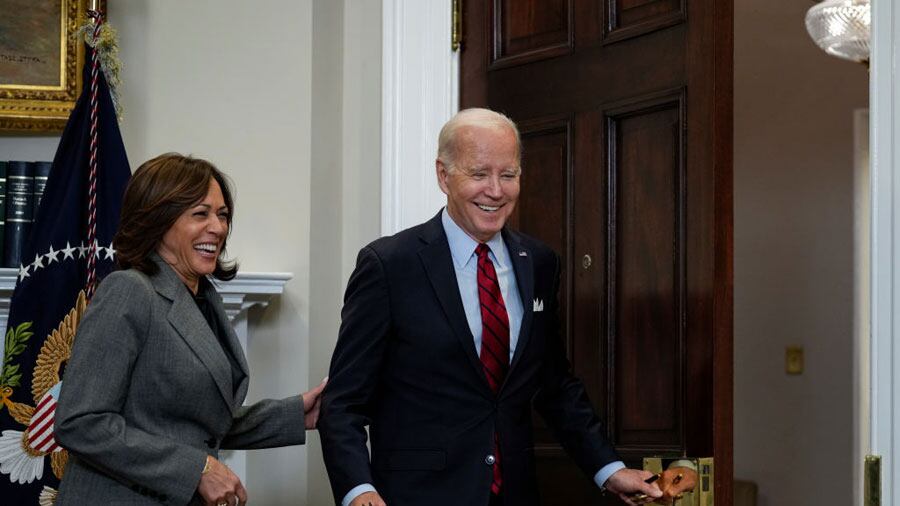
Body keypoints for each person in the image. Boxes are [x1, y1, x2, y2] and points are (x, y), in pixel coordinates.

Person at [319, 108, 677, 506]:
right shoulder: (389, 265)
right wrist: (359, 491)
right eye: (479, 174)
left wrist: (609, 469)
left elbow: (554, 385)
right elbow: (344, 402)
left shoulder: (539, 263)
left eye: (508, 175)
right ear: (443, 176)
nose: (495, 191)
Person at [54, 153, 325, 506]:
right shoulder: (130, 291)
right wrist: (197, 469)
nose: (218, 228)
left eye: (222, 215)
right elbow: (79, 422)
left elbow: (194, 423)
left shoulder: (203, 298)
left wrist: (297, 413)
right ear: (158, 221)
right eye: (200, 214)